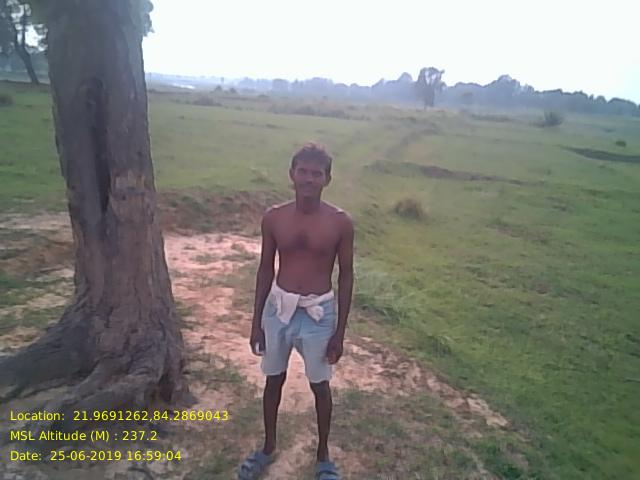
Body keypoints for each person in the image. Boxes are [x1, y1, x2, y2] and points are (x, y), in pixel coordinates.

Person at [237, 143, 354, 480]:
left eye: (316, 173)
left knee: (320, 385)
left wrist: (339, 333)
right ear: (291, 174)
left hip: (318, 313)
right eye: (303, 171)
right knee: (273, 379)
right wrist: (257, 323)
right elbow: (265, 269)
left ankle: (323, 457)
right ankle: (267, 447)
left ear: (327, 179)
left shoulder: (340, 223)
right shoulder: (274, 217)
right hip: (279, 309)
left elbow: (346, 275)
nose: (308, 179)